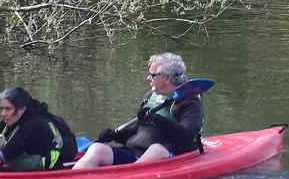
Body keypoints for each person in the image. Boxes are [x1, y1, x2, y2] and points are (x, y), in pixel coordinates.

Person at [73, 52, 205, 169]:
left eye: (153, 75)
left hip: (167, 155)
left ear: (169, 78)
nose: (148, 78)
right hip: (135, 153)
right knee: (97, 149)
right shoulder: (150, 96)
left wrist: (157, 119)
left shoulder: (189, 101)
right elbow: (140, 128)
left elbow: (187, 136)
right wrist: (115, 135)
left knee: (156, 149)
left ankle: (124, 178)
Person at [0, 87, 75, 174]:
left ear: (21, 109)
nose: (3, 114)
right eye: (2, 109)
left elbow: (3, 156)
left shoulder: (33, 125)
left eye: (8, 109)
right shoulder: (5, 125)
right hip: (23, 171)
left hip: (49, 171)